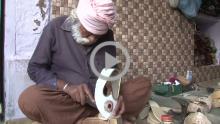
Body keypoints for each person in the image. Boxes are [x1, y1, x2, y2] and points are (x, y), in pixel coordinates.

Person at [18, 0, 151, 124]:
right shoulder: (55, 28)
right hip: (67, 101)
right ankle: (97, 119)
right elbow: (34, 69)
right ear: (77, 18)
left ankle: (97, 117)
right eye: (88, 33)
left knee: (143, 85)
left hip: (100, 101)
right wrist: (67, 87)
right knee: (29, 99)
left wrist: (114, 94)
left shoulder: (107, 36)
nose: (93, 39)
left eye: (98, 35)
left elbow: (111, 69)